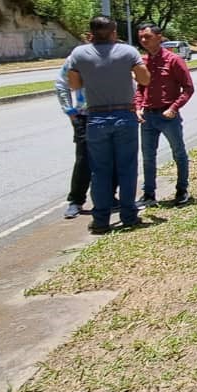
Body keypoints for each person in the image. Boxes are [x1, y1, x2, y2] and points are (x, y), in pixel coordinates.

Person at [67, 16, 150, 234]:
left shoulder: (79, 54)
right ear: (114, 32)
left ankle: (101, 220)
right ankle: (129, 215)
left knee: (99, 170)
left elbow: (74, 84)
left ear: (91, 33)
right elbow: (145, 80)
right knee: (127, 168)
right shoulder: (128, 52)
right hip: (125, 115)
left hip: (96, 117)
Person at [55, 35, 117, 219]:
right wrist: (70, 111)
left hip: (111, 114)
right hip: (85, 116)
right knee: (84, 160)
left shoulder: (116, 55)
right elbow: (61, 83)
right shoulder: (78, 57)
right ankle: (76, 200)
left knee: (113, 158)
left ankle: (109, 197)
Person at [134, 24, 195, 208]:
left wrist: (174, 108)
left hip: (168, 116)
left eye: (147, 36)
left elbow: (188, 88)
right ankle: (149, 193)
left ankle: (182, 190)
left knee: (179, 153)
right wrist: (137, 107)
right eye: (141, 37)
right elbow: (140, 88)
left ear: (160, 37)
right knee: (148, 157)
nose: (144, 40)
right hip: (148, 117)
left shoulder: (173, 60)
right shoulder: (143, 62)